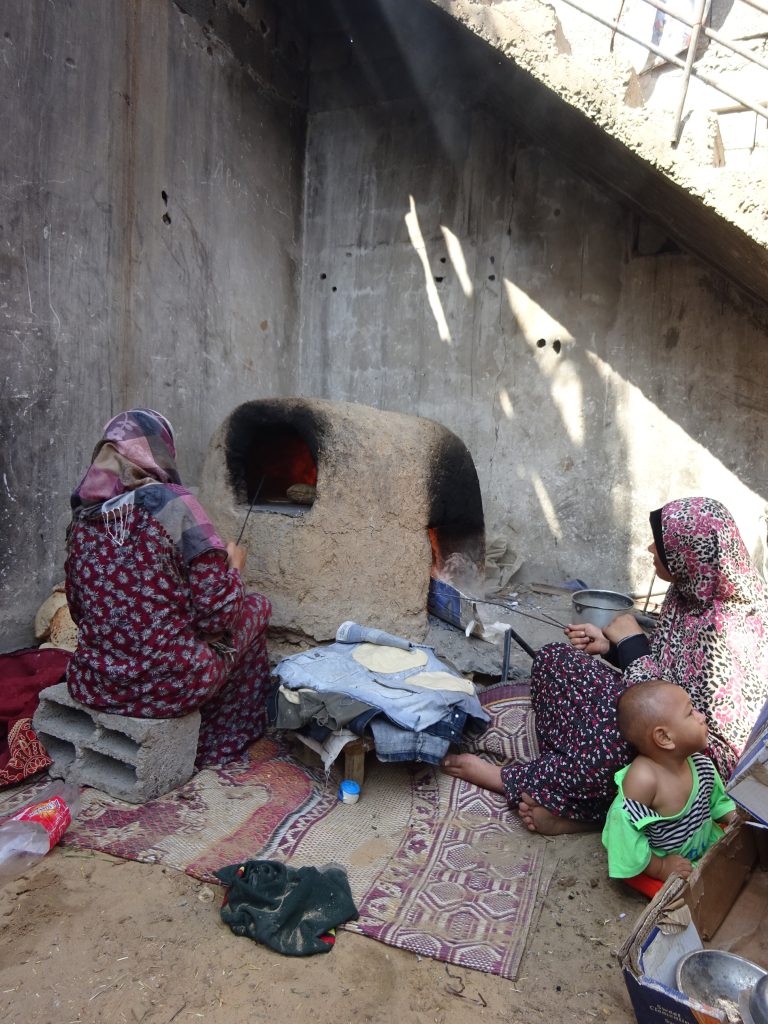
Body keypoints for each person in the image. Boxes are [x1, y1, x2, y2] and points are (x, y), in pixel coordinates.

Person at [441, 496, 768, 835]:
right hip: (658, 709)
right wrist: (612, 648)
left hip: (693, 757)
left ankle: (524, 784)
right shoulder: (689, 593)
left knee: (608, 747)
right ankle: (575, 779)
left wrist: (633, 645)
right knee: (555, 659)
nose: (649, 548)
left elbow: (683, 720)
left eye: (661, 543)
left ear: (687, 553)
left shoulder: (732, 627)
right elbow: (669, 667)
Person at [64, 409, 272, 767]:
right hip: (170, 688)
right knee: (257, 608)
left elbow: (79, 612)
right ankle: (218, 743)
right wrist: (234, 568)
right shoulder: (175, 505)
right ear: (160, 451)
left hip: (94, 684)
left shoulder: (83, 517)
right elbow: (218, 617)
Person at [602, 680, 736, 884]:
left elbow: (717, 801)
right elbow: (622, 832)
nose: (702, 717)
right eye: (691, 712)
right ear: (664, 737)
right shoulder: (644, 780)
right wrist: (660, 867)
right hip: (666, 860)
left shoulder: (700, 764)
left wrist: (733, 816)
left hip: (702, 843)